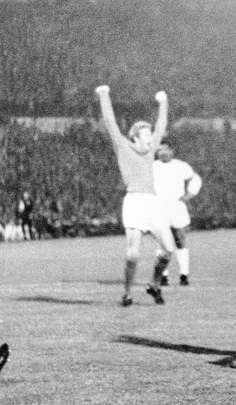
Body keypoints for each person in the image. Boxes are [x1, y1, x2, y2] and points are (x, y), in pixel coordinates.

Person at [95, 85, 176, 306]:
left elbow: (162, 125)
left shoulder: (150, 151)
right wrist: (104, 95)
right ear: (136, 138)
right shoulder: (123, 146)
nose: (152, 138)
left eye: (151, 135)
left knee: (168, 249)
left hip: (152, 202)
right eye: (147, 135)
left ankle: (155, 284)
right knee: (132, 254)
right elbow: (111, 124)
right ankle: (127, 293)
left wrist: (163, 102)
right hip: (134, 202)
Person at [153, 138, 202, 286]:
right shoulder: (152, 166)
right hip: (159, 207)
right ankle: (163, 276)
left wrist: (188, 196)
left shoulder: (181, 166)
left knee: (180, 239)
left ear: (172, 150)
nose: (163, 153)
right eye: (160, 150)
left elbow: (196, 179)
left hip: (176, 207)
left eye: (166, 149)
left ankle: (184, 275)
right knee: (162, 243)